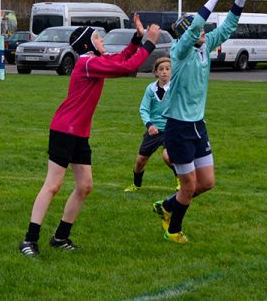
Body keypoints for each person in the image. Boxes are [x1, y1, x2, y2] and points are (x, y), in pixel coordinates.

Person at [19, 16, 162, 257]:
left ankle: (60, 237)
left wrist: (138, 38)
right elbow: (126, 68)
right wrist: (150, 43)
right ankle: (29, 240)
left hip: (79, 132)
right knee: (53, 185)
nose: (102, 41)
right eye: (97, 38)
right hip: (64, 130)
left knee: (85, 186)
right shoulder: (87, 62)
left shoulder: (95, 60)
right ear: (88, 45)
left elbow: (122, 58)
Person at [152, 0, 258, 244]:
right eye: (195, 29)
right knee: (188, 186)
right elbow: (195, 26)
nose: (202, 30)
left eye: (201, 29)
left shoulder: (205, 45)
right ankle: (172, 230)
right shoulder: (179, 52)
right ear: (185, 35)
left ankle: (167, 205)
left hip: (198, 125)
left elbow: (228, 27)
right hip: (178, 128)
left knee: (206, 183)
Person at [124, 57, 179, 192]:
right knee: (140, 161)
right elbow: (144, 109)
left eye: (168, 69)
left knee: (168, 156)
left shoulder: (175, 87)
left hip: (171, 129)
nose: (164, 72)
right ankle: (136, 185)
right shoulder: (151, 88)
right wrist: (149, 125)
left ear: (172, 72)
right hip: (154, 130)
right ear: (155, 72)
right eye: (161, 69)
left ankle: (181, 180)